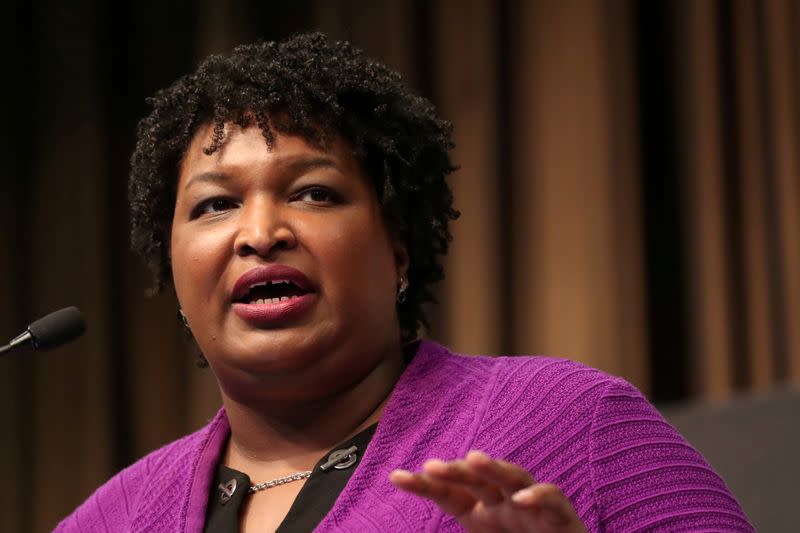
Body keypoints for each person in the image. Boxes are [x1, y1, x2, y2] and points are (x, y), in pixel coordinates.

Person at [56, 33, 752, 532]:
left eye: (314, 193)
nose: (260, 231)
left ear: (398, 246)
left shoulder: (571, 422)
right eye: (215, 204)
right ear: (173, 267)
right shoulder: (110, 517)